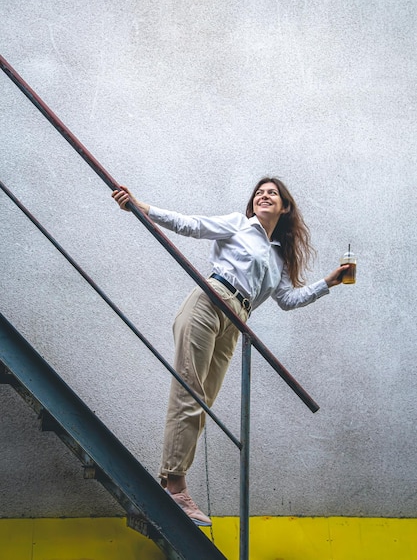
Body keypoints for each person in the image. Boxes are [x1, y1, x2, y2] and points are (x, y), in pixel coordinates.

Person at [112, 177, 348, 527]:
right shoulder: (239, 225)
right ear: (253, 204)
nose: (264, 196)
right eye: (260, 192)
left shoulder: (279, 256)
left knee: (202, 401)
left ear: (284, 208)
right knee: (189, 393)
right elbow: (190, 225)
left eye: (273, 194)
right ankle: (175, 487)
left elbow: (287, 300)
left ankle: (170, 481)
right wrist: (141, 206)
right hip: (211, 300)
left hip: (237, 321)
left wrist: (328, 283)